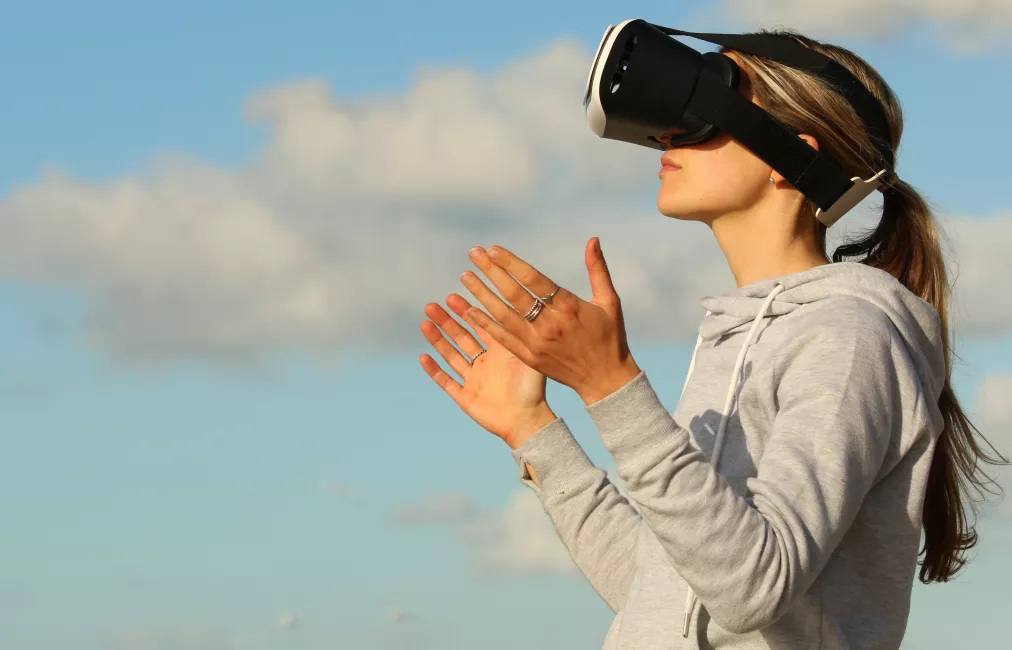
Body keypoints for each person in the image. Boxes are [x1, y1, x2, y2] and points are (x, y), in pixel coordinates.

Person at [417, 28, 1007, 649]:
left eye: (703, 108)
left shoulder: (850, 336)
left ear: (788, 158)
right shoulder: (736, 337)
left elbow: (754, 587)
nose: (666, 134)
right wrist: (533, 430)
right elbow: (664, 596)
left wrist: (610, 384)